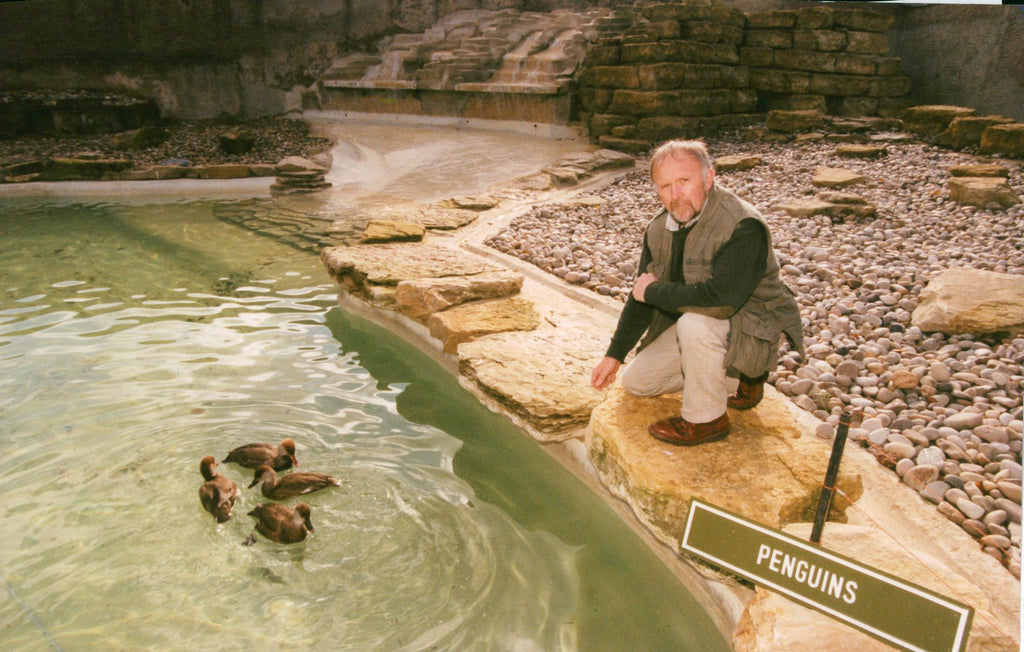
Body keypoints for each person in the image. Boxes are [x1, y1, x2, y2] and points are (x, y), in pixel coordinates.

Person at [590, 139, 804, 446]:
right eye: (665, 186)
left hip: (751, 324)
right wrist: (614, 355)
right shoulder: (658, 230)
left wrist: (654, 292)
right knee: (637, 382)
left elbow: (721, 302)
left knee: (695, 324)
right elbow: (641, 296)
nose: (675, 195)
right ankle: (738, 379)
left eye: (684, 181)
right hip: (708, 322)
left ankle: (706, 420)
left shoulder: (742, 225)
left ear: (708, 178)